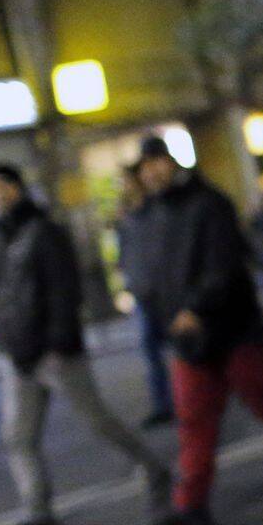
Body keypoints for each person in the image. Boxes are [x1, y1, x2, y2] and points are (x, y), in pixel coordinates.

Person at [134, 136, 263, 525]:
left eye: (159, 161)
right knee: (194, 421)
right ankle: (191, 505)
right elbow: (147, 273)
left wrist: (197, 307)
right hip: (186, 337)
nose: (153, 171)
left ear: (173, 163)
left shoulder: (209, 204)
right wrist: (161, 314)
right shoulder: (146, 217)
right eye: (145, 165)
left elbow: (223, 263)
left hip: (231, 328)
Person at [0, 162, 169, 525]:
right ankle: (37, 510)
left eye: (5, 186)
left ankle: (153, 469)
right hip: (18, 356)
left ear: (19, 188)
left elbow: (64, 289)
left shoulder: (44, 232)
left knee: (97, 421)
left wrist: (60, 342)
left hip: (53, 351)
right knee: (18, 436)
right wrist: (3, 344)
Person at [115, 164, 174, 426]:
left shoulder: (159, 210)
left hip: (165, 292)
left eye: (128, 181)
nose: (125, 186)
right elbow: (126, 254)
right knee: (150, 349)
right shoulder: (126, 216)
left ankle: (187, 396)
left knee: (181, 346)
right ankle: (163, 403)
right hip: (142, 293)